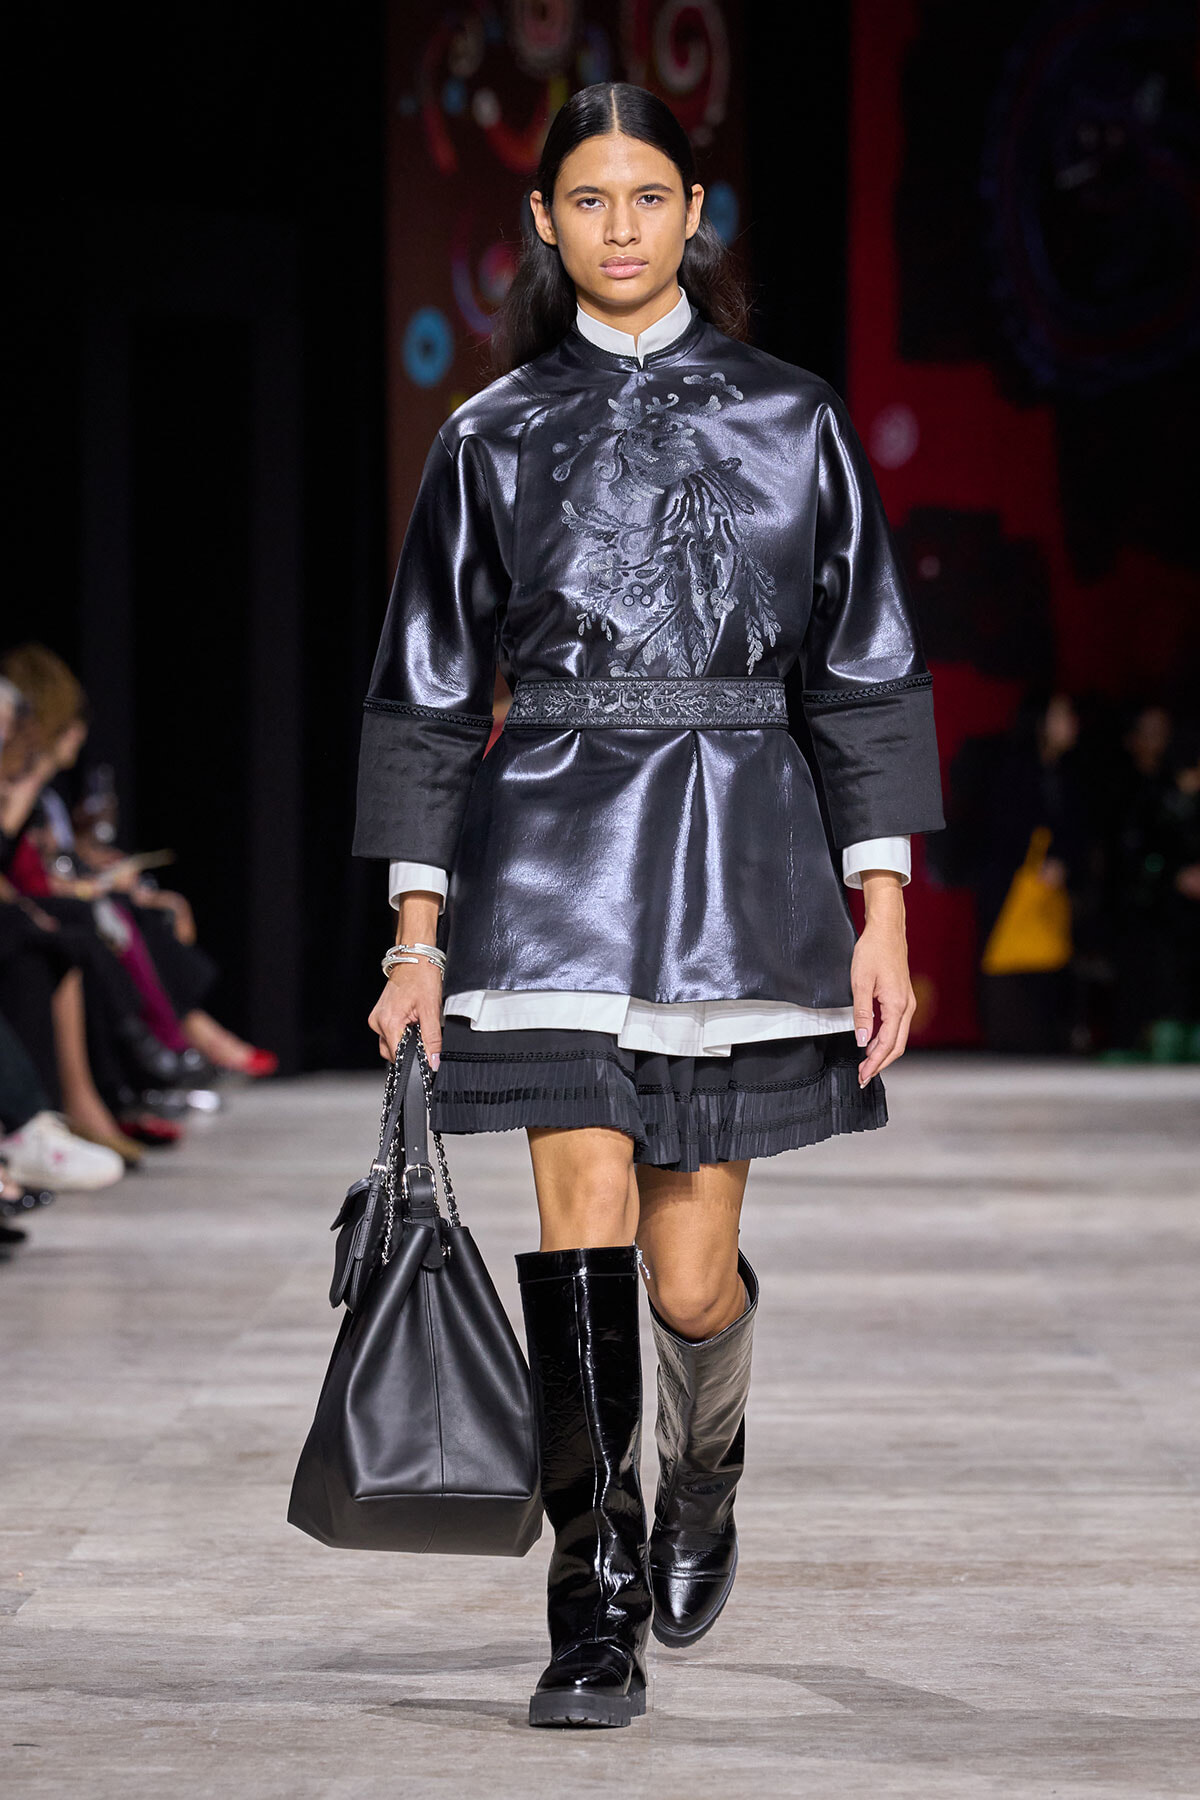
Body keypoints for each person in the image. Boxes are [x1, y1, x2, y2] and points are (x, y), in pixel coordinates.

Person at [355, 84, 944, 1729]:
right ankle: (590, 1595)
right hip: (543, 867)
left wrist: (880, 909)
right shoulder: (488, 433)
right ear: (541, 223)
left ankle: (705, 1467)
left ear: (698, 213)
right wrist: (418, 938)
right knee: (582, 1221)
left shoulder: (793, 419)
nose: (620, 226)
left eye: (650, 195)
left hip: (740, 875)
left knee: (690, 1280)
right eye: (588, 200)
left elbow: (867, 672)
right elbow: (421, 694)